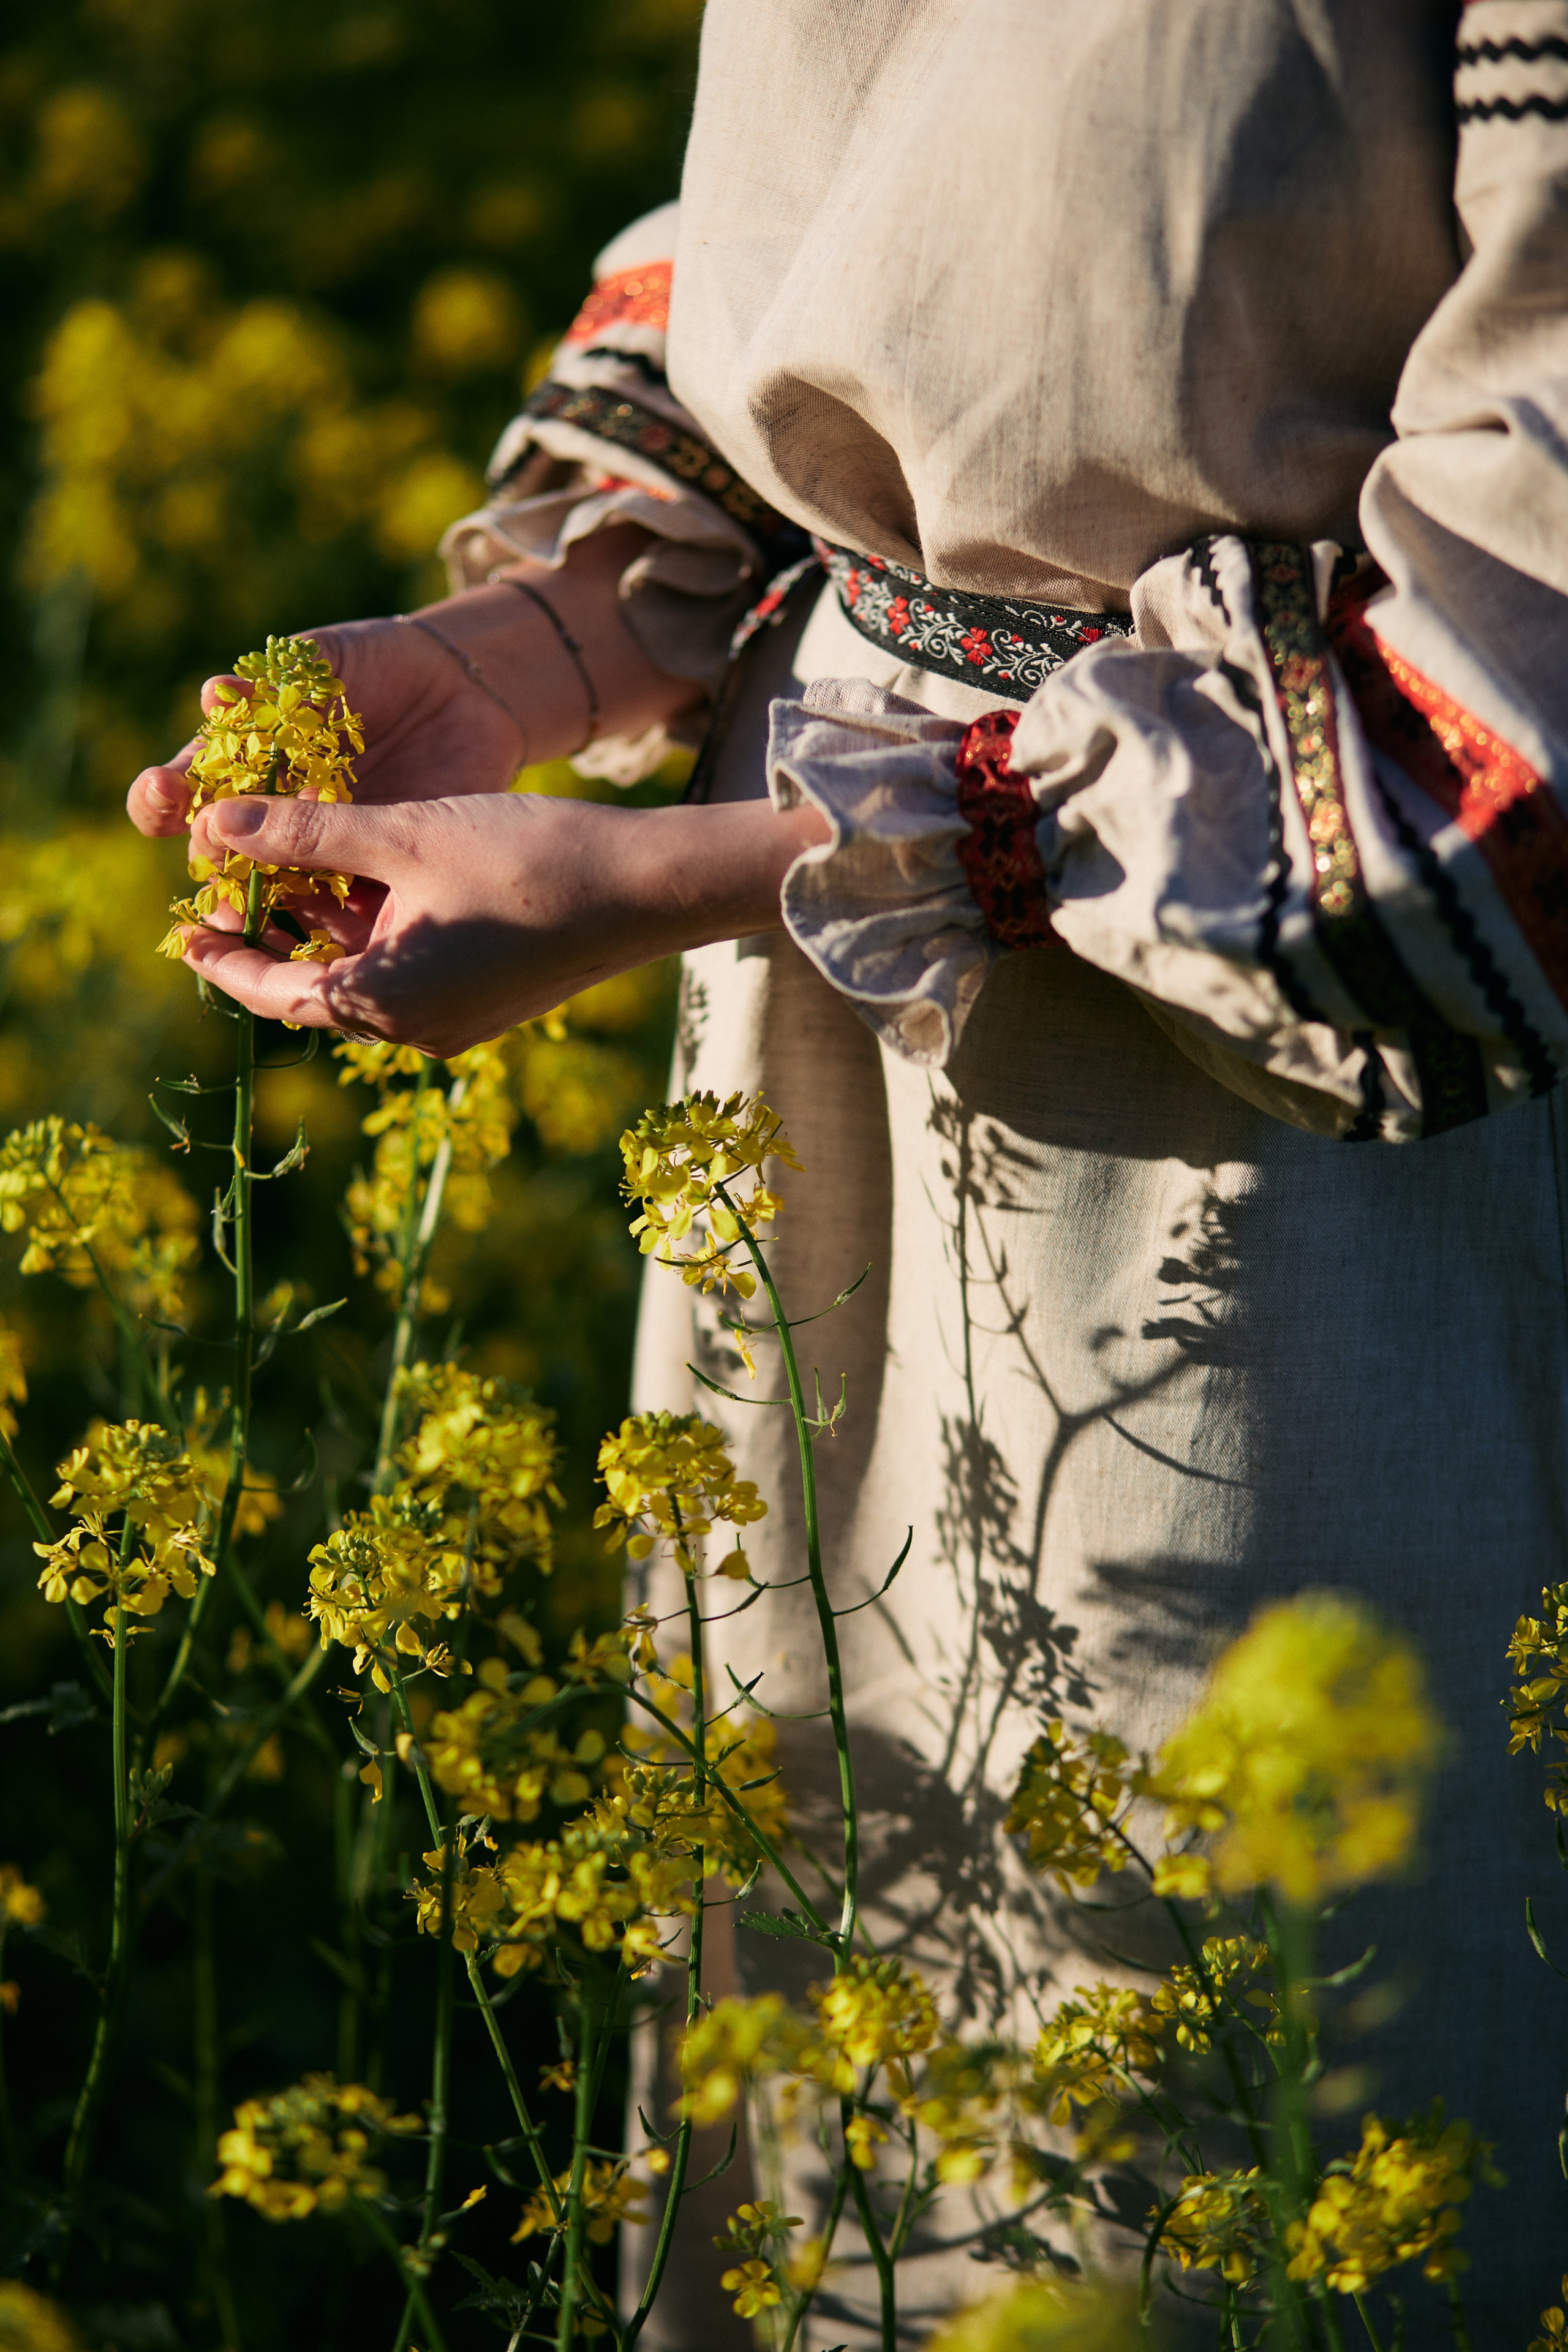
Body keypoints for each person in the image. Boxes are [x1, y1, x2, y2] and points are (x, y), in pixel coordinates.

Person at [129, 4, 1568, 2335]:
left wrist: (734, 859)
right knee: (829, 2033)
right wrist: (550, 636)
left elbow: (1533, 676)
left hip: (1306, 1109)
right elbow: (867, 215)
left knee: (1230, 2123)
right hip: (824, 995)